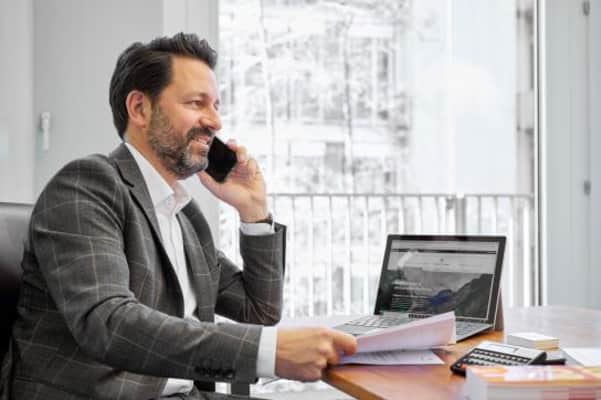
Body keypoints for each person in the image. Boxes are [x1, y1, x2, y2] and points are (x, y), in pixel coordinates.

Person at [0, 33, 356, 400]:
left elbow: (259, 310)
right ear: (140, 108)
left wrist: (253, 210)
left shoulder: (184, 218)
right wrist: (268, 352)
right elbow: (108, 323)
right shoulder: (86, 186)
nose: (215, 122)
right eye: (196, 103)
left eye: (216, 105)